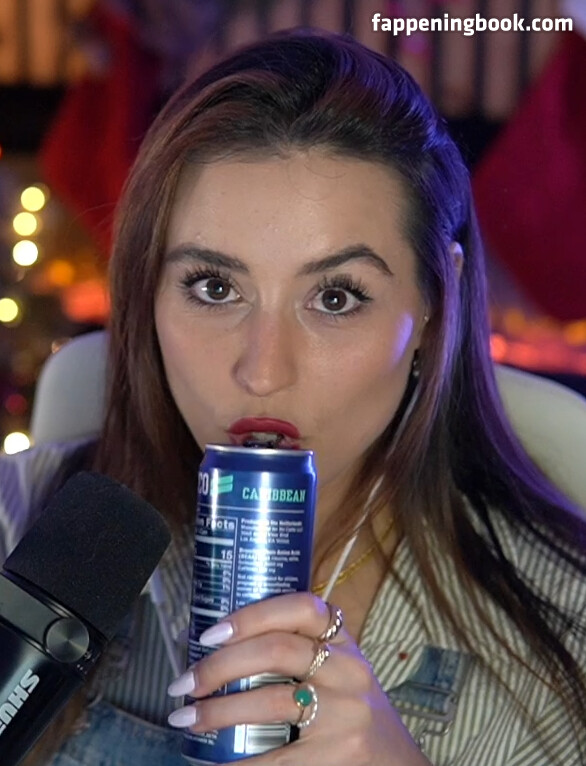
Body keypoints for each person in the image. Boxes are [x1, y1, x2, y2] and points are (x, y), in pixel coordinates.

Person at [2, 28, 585, 766]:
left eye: (336, 297)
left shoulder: (563, 632)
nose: (263, 370)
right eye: (214, 287)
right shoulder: (15, 521)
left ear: (436, 307)